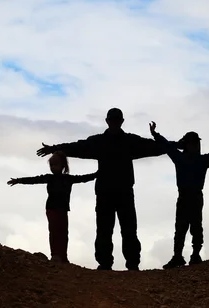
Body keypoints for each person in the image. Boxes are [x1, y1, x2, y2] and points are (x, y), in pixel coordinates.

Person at [36, 108, 176, 271]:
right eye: (113, 120)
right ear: (108, 121)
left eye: (117, 120)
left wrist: (177, 144)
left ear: (120, 121)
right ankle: (107, 263)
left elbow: (154, 147)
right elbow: (77, 147)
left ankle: (130, 264)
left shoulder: (127, 141)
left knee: (127, 229)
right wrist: (54, 148)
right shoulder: (104, 142)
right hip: (106, 192)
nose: (115, 123)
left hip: (122, 191)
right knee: (106, 229)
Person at [149, 121, 209, 269]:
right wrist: (156, 134)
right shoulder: (192, 159)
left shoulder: (192, 159)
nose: (196, 146)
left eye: (196, 143)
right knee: (183, 227)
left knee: (194, 227)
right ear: (187, 144)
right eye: (193, 143)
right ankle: (181, 256)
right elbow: (167, 146)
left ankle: (192, 255)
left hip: (192, 197)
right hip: (188, 197)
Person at [7, 151, 97, 264]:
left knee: (63, 233)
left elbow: (84, 178)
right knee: (54, 231)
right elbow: (34, 180)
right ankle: (55, 255)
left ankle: (63, 256)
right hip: (52, 208)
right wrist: (19, 180)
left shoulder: (68, 179)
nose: (53, 167)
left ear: (63, 166)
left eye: (55, 164)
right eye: (51, 165)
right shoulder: (49, 178)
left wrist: (97, 174)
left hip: (63, 209)